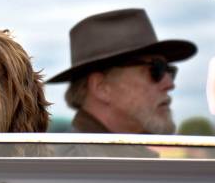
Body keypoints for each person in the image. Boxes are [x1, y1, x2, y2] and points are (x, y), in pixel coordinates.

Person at [47, 8, 197, 134]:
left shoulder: (120, 160)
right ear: (101, 87)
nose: (169, 84)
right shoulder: (70, 167)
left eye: (169, 70)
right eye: (156, 68)